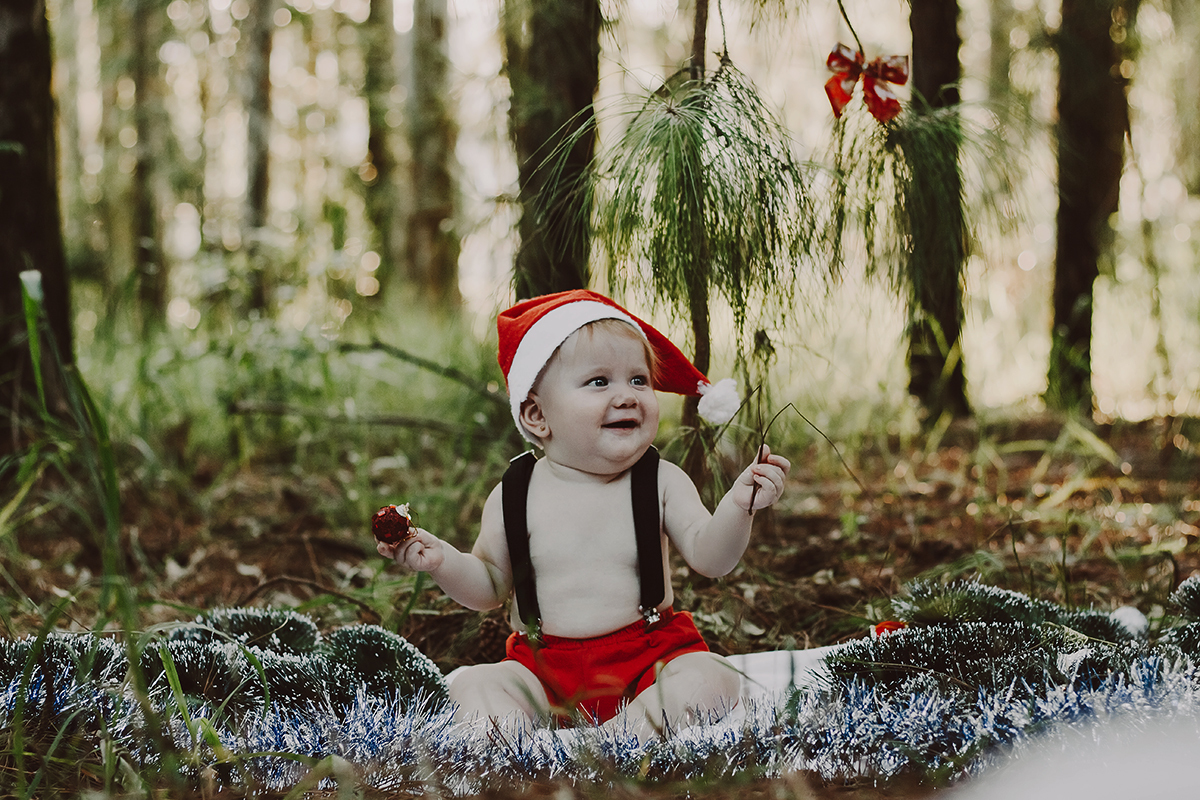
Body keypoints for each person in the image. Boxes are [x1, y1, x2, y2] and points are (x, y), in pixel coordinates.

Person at [377, 290, 790, 737]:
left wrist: (738, 505)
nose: (627, 396)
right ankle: (527, 744)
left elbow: (712, 558)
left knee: (711, 676)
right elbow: (490, 586)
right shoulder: (514, 493)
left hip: (649, 659)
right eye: (599, 382)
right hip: (542, 666)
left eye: (638, 380)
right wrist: (442, 561)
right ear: (537, 415)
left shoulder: (660, 479)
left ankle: (619, 739)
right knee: (472, 686)